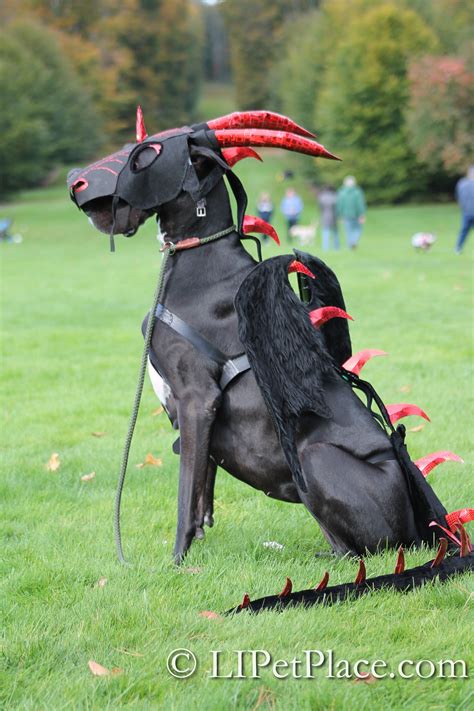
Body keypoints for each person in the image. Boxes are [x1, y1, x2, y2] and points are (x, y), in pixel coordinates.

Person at [336, 176, 366, 250]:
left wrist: (339, 215)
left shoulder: (341, 192)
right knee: (358, 229)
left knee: (348, 231)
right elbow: (360, 204)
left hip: (346, 215)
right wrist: (361, 214)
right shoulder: (357, 192)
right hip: (356, 215)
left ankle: (350, 245)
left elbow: (339, 205)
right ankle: (354, 241)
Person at [454, 166, 474, 254]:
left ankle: (458, 247)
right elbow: (459, 197)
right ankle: (458, 247)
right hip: (467, 212)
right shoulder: (463, 183)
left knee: (464, 230)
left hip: (466, 212)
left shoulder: (462, 183)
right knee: (464, 231)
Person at [317, 185, 339, 251]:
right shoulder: (334, 196)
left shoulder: (321, 197)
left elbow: (320, 208)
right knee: (335, 232)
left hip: (324, 216)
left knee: (325, 232)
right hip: (333, 216)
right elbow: (337, 207)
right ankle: (336, 247)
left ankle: (325, 247)